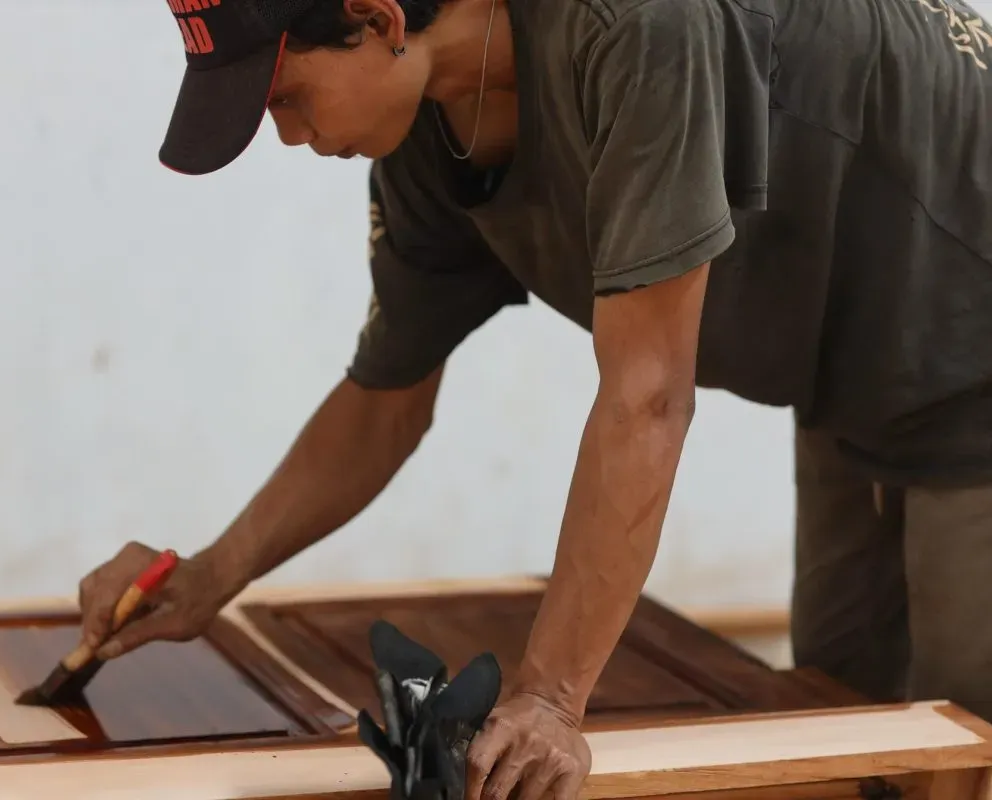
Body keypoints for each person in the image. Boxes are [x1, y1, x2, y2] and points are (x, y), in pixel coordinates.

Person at [75, 0, 992, 796]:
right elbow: (383, 400)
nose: (286, 133)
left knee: (964, 740)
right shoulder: (430, 137)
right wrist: (209, 576)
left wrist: (552, 699)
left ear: (379, 19)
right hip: (856, 371)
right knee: (841, 727)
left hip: (972, 325)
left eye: (286, 96)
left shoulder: (639, 30)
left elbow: (646, 399)